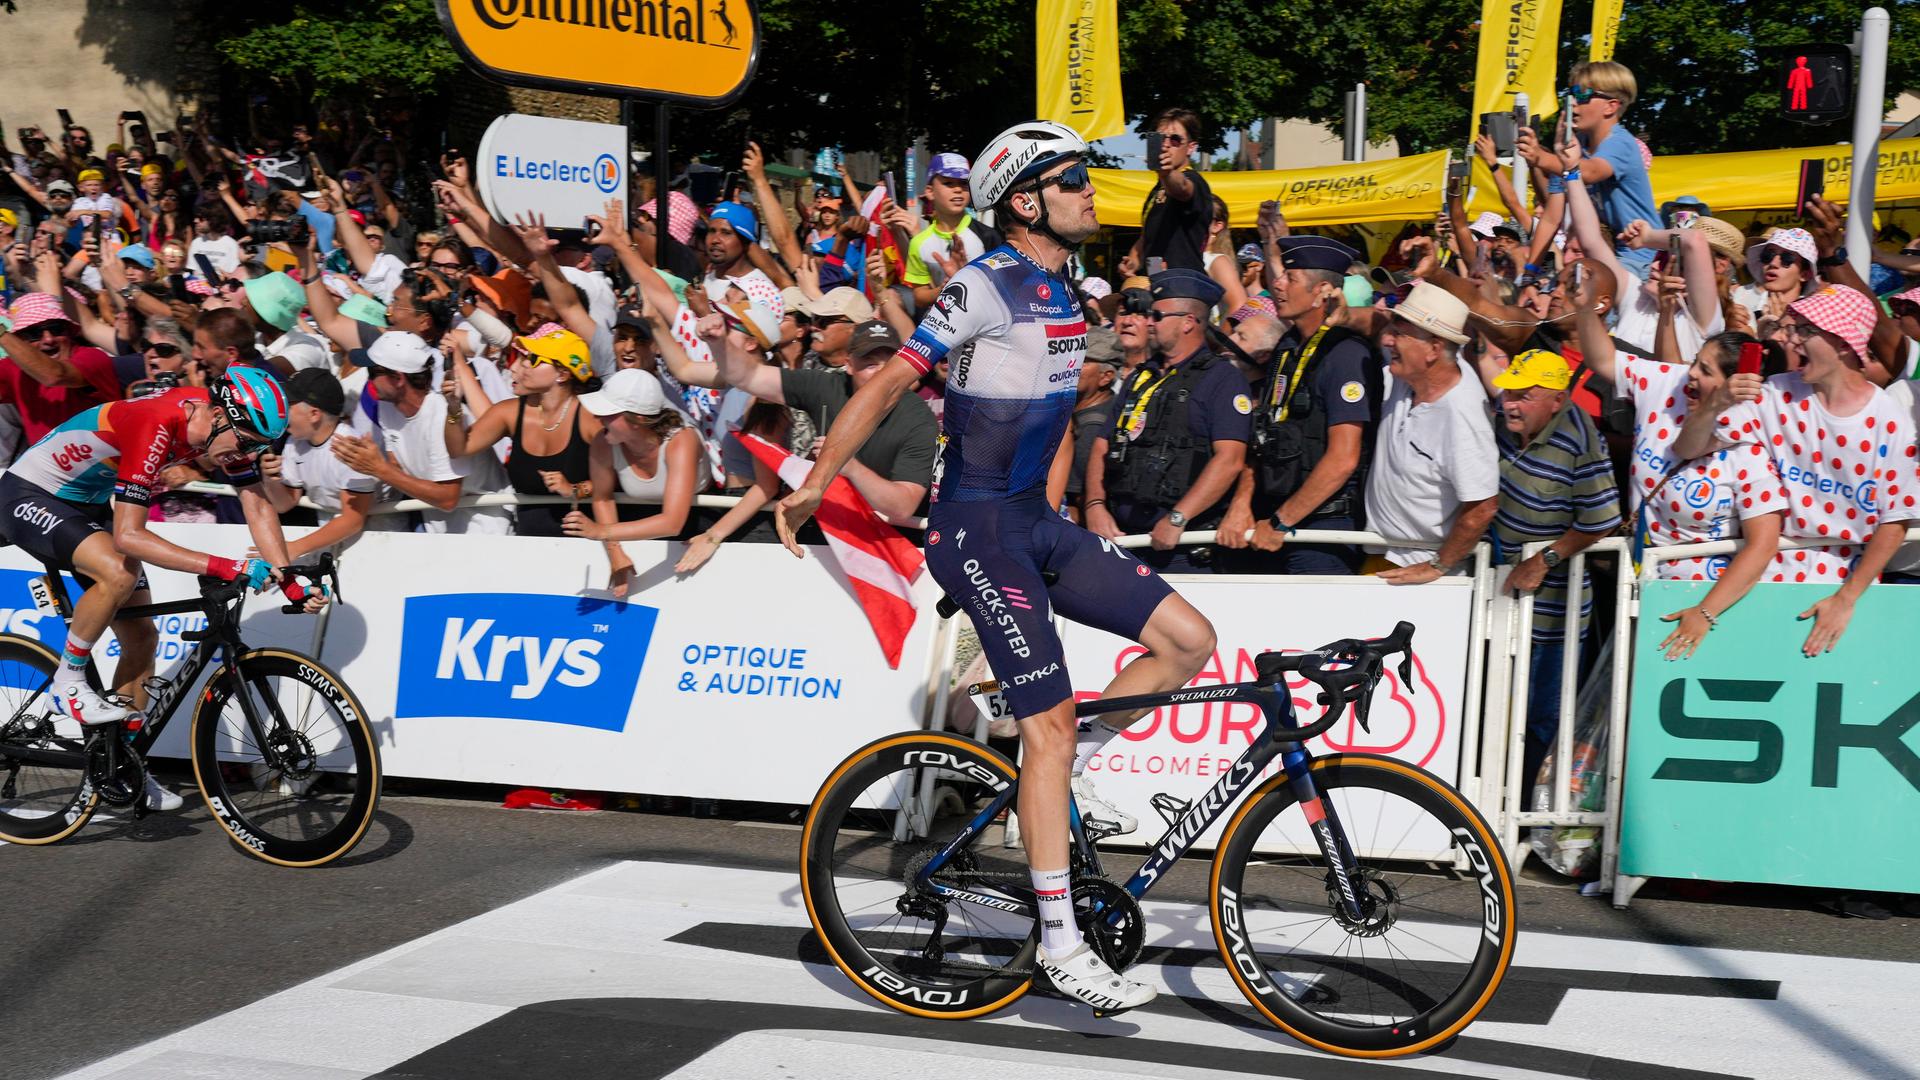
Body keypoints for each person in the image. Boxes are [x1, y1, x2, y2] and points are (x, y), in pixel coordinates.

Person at [774, 120, 1218, 1014]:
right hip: (976, 530)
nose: (1093, 191)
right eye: (1074, 181)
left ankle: (1058, 770)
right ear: (1026, 200)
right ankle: (1059, 942)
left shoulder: (1067, 288)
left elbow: (1047, 409)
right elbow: (886, 385)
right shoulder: (981, 285)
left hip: (1035, 523)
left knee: (1188, 640)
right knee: (1044, 728)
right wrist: (816, 484)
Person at [0, 365, 327, 807]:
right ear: (221, 417)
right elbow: (129, 536)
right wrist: (225, 565)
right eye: (247, 441)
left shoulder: (220, 428)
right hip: (29, 493)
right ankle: (68, 680)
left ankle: (121, 764)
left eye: (259, 446)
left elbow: (258, 505)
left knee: (141, 638)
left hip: (84, 502)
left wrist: (287, 579)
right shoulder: (158, 422)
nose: (247, 453)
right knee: (119, 571)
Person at [1674, 284, 1919, 649]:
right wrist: (1717, 404)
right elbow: (1687, 448)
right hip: (1766, 575)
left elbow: (1896, 519)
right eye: (1795, 328)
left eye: (1806, 331)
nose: (1793, 341)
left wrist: (1846, 598)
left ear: (1842, 342)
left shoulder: (1889, 419)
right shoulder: (1775, 393)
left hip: (1844, 583)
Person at [1487, 349, 1622, 789]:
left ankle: (1527, 810)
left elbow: (1602, 519)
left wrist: (1545, 559)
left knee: (1541, 715)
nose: (1511, 402)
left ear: (1557, 400)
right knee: (1489, 706)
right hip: (1494, 593)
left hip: (1551, 608)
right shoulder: (1501, 422)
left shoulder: (1580, 440)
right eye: (1509, 392)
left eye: (1525, 395)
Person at [1223, 236, 1383, 574]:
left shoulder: (1347, 354)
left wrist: (1282, 521)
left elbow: (1344, 459)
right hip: (1271, 522)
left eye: (1290, 278)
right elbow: (1263, 434)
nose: (1277, 284)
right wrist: (1241, 502)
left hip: (1321, 528)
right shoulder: (1287, 346)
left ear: (1322, 290)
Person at [1081, 268, 1250, 574]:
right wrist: (1095, 506)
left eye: (1157, 316)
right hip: (1125, 539)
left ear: (1188, 322)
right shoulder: (1143, 376)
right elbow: (1103, 443)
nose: (1148, 322)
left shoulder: (1222, 379)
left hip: (1182, 548)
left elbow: (1230, 460)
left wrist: (1177, 517)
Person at [1362, 283, 1500, 583]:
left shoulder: (1462, 415)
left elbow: (1482, 507)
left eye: (1399, 334)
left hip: (1420, 574)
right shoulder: (1411, 374)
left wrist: (1437, 566)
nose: (1387, 340)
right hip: (1383, 555)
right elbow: (1370, 323)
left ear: (1434, 349)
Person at [330, 331, 512, 534]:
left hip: (486, 523)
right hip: (437, 522)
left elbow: (448, 497)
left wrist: (379, 468)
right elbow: (396, 465)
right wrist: (361, 458)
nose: (368, 380)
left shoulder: (441, 416)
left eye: (373, 372)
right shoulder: (387, 406)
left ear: (398, 378)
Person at [562, 368, 709, 597]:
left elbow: (672, 523)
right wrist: (615, 555)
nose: (597, 418)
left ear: (638, 419)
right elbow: (603, 498)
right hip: (636, 524)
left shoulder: (681, 441)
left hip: (698, 526)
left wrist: (602, 531)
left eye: (608, 413)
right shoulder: (603, 441)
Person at [444, 326, 601, 537]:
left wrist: (575, 490)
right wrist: (453, 408)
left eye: (533, 359)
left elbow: (620, 475)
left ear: (563, 374)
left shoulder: (589, 417)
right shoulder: (509, 412)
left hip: (582, 545)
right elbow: (459, 448)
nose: (518, 366)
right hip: (527, 545)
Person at [263, 368, 379, 560]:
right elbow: (284, 504)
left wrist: (295, 548)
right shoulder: (294, 442)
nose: (280, 410)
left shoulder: (349, 445)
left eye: (289, 404)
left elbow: (353, 520)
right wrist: (271, 479)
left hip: (376, 534)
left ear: (314, 414)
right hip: (328, 535)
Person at [901, 153, 1001, 311]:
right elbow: (919, 296)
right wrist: (944, 289)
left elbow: (1004, 286)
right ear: (930, 191)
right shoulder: (918, 243)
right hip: (940, 327)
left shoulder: (988, 236)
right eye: (948, 183)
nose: (958, 190)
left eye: (963, 183)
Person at [1125, 107, 1211, 273]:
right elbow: (1146, 239)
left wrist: (1168, 173)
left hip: (1183, 286)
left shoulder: (1195, 181)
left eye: (1175, 139)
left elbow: (1183, 189)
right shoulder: (1156, 190)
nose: (1165, 144)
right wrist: (1132, 263)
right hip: (1156, 283)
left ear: (1191, 147)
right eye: (1160, 138)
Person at [1063, 326, 1121, 522]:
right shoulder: (1076, 408)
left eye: (1084, 361)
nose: (1072, 364)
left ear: (1106, 377)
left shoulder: (1095, 427)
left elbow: (1075, 501)